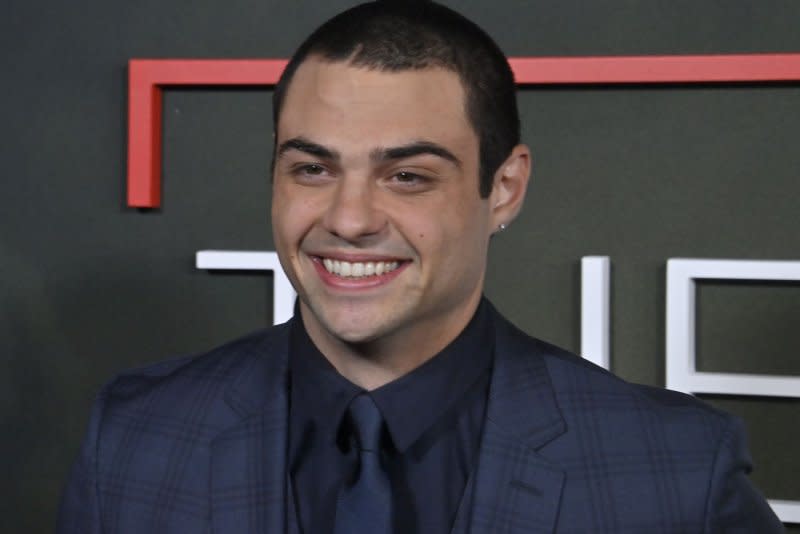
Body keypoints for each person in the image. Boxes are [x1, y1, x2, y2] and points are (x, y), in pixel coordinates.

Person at [57, 1, 783, 532]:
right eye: (312, 168)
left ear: (504, 186)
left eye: (407, 176)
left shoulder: (676, 474)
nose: (348, 219)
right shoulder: (135, 436)